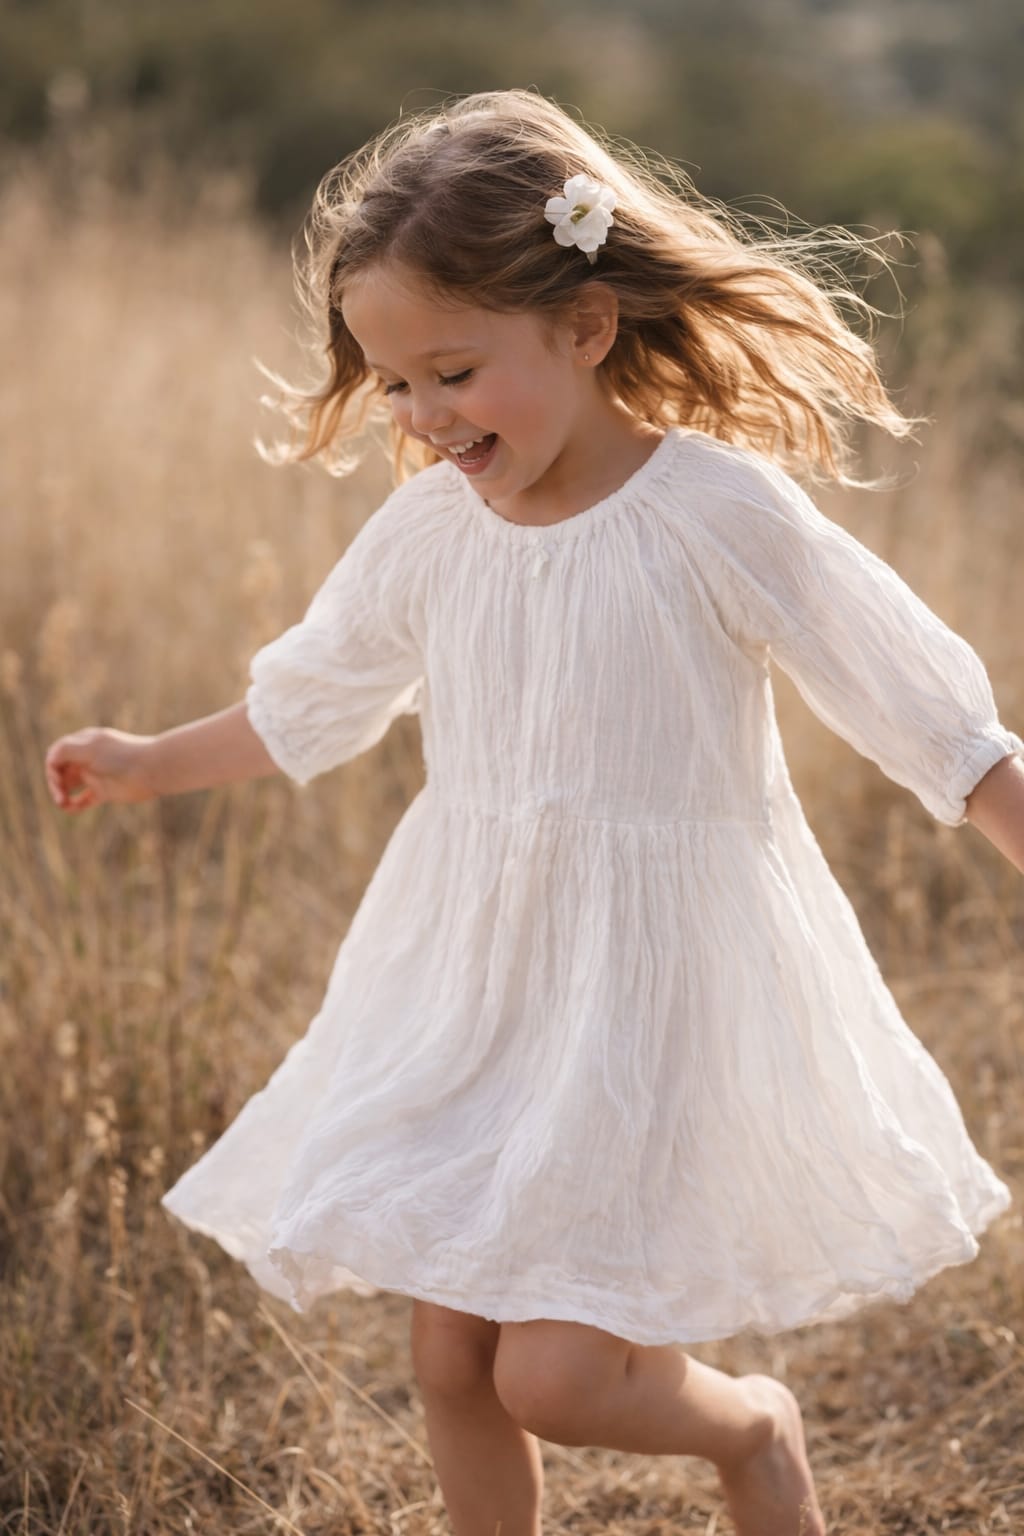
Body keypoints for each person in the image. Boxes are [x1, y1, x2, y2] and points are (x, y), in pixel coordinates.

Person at [44, 88, 1024, 1536]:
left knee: (556, 1375)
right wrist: (145, 759)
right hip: (475, 975)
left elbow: (921, 706)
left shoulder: (714, 510)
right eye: (395, 386)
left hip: (650, 982)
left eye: (455, 372)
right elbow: (313, 697)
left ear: (585, 326)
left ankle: (754, 1430)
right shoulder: (431, 528)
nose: (427, 418)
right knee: (452, 1356)